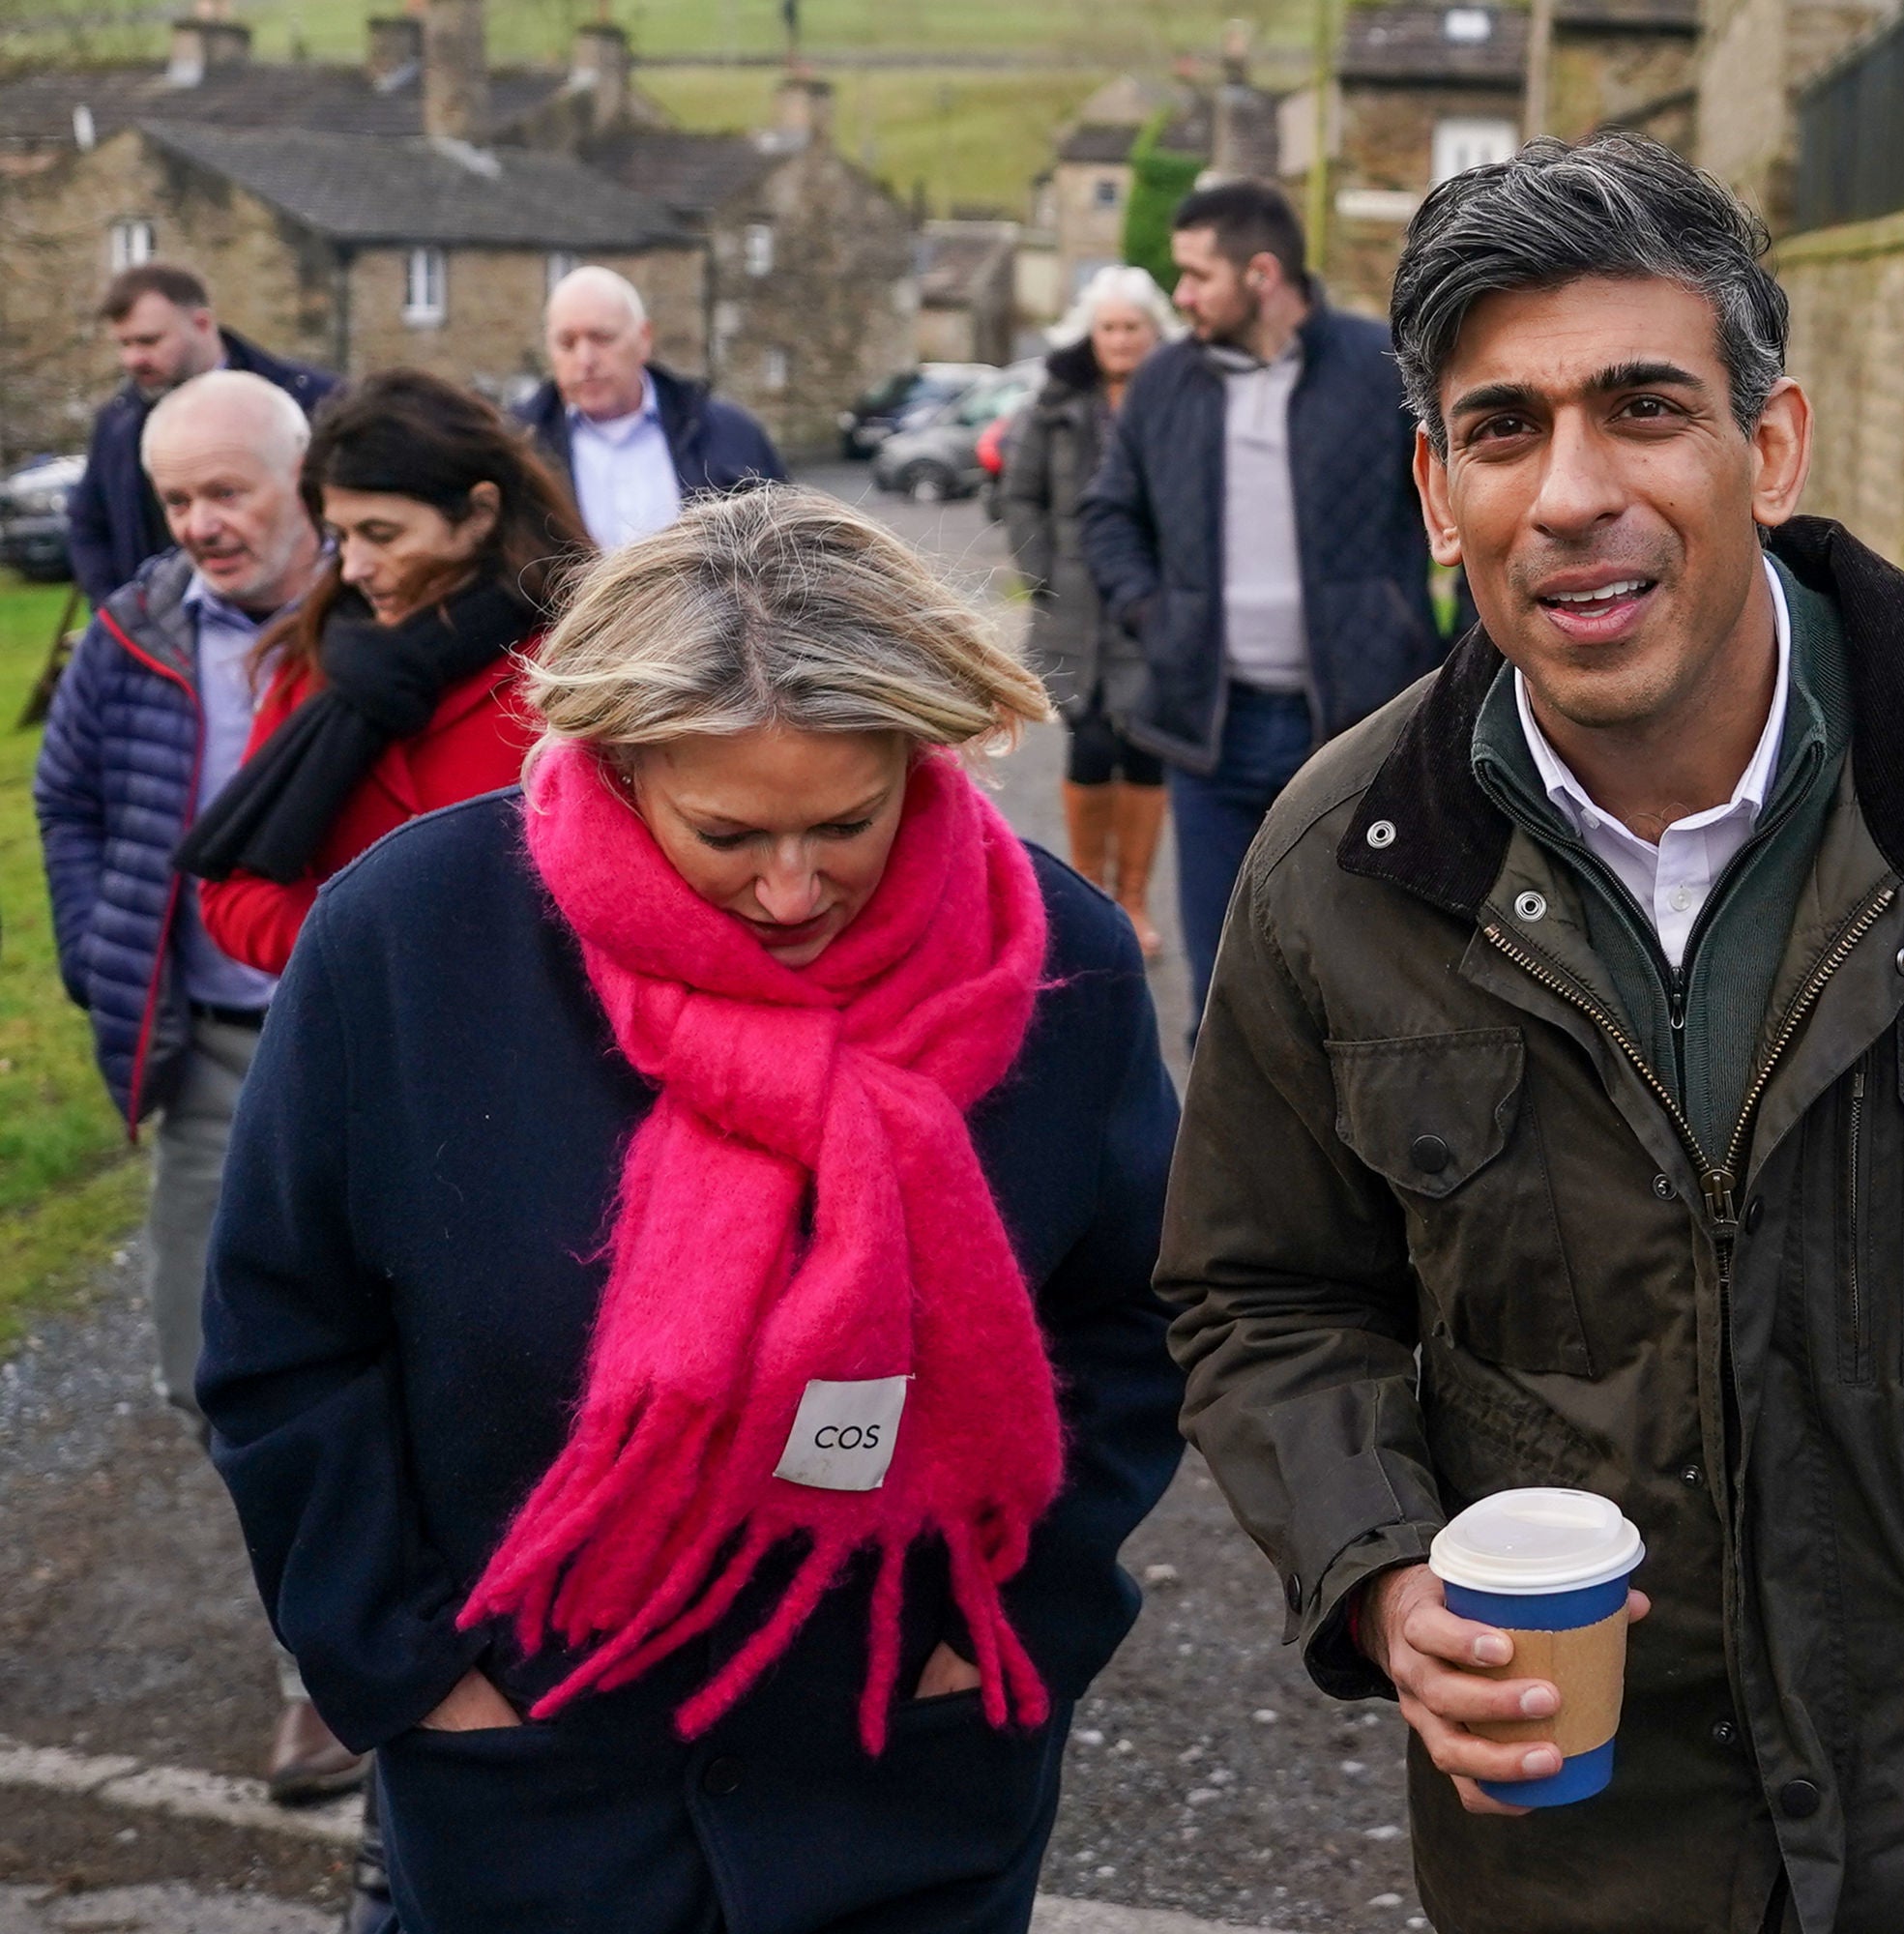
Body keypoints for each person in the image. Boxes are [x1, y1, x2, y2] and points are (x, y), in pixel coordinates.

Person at [1157, 133, 1904, 1934]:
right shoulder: (1339, 868)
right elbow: (1260, 1293)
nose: (1573, 492)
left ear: (1769, 447)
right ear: (1431, 486)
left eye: (1644, 408)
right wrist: (1384, 1575)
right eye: (1504, 429)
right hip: (1566, 1860)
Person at [198, 488, 1186, 1932]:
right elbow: (285, 1339)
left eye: (850, 822)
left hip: (898, 1793)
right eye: (728, 835)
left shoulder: (1061, 961)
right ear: (616, 763)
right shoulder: (407, 941)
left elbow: (1139, 1323)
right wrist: (414, 1676)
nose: (795, 891)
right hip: (534, 1796)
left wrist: (1021, 1626)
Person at [33, 370, 357, 1805]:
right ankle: (329, 1637)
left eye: (231, 492)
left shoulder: (385, 620)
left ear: (304, 486)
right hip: (221, 1060)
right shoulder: (133, 634)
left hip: (372, 1056)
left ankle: (334, 1681)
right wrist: (107, 962)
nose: (203, 525)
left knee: (403, 1357)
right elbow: (70, 798)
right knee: (205, 1371)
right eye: (177, 501)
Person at [1078, 178, 1446, 1016]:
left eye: (1198, 275)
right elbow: (1108, 512)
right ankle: (1225, 1151)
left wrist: (1447, 646)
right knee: (1225, 991)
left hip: (1363, 730)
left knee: (1370, 977)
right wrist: (1150, 612)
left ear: (1263, 274)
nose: (1181, 296)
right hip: (1212, 734)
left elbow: (1464, 500)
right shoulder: (1166, 381)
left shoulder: (1380, 367)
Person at [179, 368, 586, 975]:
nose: (353, 569)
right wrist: (380, 949)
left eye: (382, 535)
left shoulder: (581, 667)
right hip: (366, 1049)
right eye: (341, 537)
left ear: (479, 514)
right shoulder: (317, 660)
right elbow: (233, 895)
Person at [1004, 264, 1179, 958]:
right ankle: (1090, 898)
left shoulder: (1180, 395)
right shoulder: (1056, 399)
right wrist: (1042, 572)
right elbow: (1018, 495)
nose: (1120, 338)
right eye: (1109, 326)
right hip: (1073, 607)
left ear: (1152, 332)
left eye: (1132, 326)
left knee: (1143, 748)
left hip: (1151, 603)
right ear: (1091, 331)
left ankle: (1133, 901)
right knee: (1090, 743)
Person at [68, 263, 337, 605]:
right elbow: (88, 524)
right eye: (125, 344)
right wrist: (120, 610)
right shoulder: (117, 422)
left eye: (149, 341)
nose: (134, 359)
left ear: (202, 323)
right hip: (163, 640)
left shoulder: (313, 403)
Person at [513, 265, 788, 550]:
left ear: (644, 338)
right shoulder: (518, 449)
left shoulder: (729, 434)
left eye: (602, 338)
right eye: (567, 343)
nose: (585, 359)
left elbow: (789, 550)